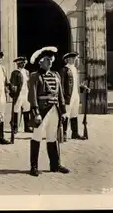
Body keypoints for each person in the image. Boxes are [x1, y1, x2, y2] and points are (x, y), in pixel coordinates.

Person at [28, 46, 70, 177]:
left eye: (51, 60)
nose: (50, 62)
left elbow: (60, 94)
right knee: (37, 137)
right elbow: (32, 96)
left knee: (52, 138)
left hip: (54, 110)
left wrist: (63, 111)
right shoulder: (35, 76)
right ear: (40, 61)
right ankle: (33, 166)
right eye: (47, 60)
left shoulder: (56, 74)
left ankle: (55, 165)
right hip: (42, 110)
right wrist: (36, 113)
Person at [60, 52, 90, 141]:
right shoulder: (64, 70)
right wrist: (62, 97)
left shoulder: (75, 69)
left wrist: (84, 87)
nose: (74, 60)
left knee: (74, 114)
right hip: (68, 96)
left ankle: (75, 133)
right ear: (67, 59)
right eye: (72, 58)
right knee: (66, 114)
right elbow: (61, 85)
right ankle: (64, 133)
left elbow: (76, 84)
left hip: (75, 95)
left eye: (75, 58)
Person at [9, 56, 33, 133]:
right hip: (19, 93)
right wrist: (13, 93)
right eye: (21, 63)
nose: (23, 64)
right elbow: (12, 84)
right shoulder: (15, 72)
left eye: (24, 63)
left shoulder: (26, 72)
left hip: (26, 92)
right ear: (18, 64)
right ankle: (14, 126)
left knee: (27, 109)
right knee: (16, 109)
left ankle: (27, 127)